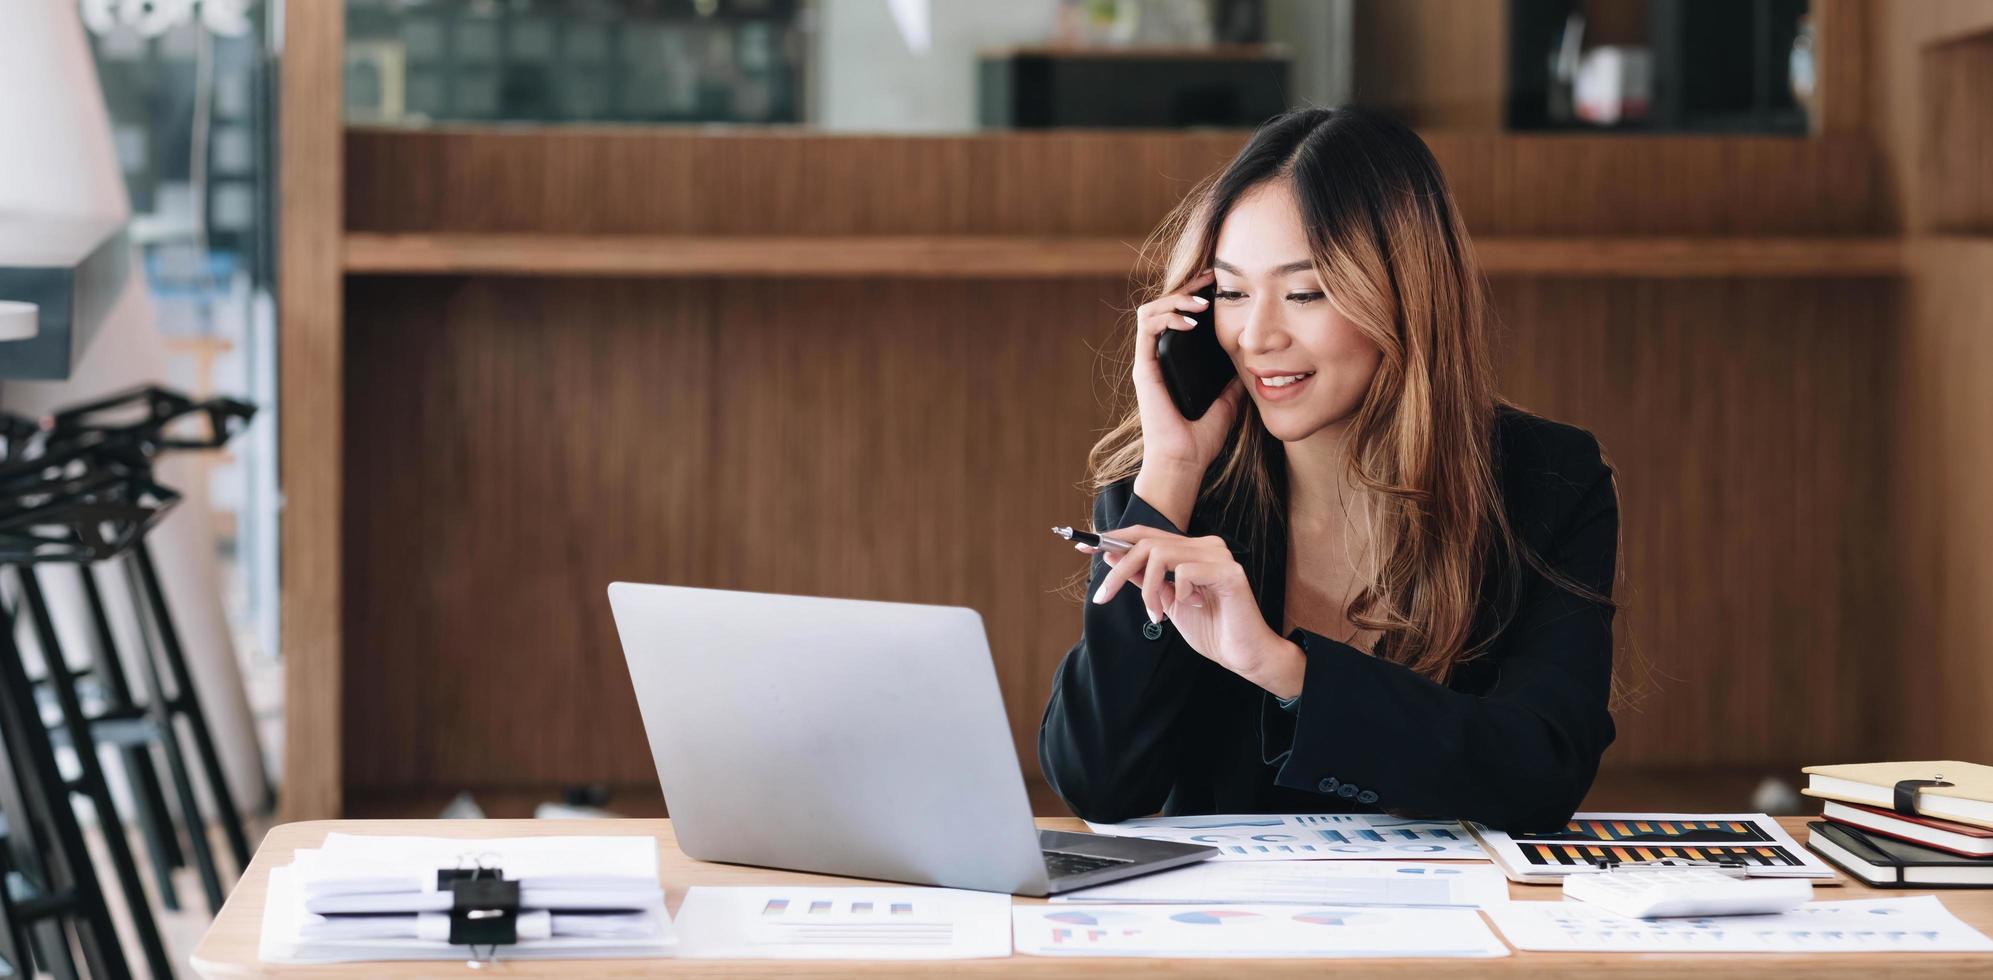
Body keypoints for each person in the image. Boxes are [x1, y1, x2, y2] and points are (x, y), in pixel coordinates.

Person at [1039, 107, 1621, 833]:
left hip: (1451, 934)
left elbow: (1540, 773)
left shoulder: (1544, 479)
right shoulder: (1175, 493)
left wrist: (1286, 672)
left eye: (1305, 292)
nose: (1256, 336)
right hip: (1225, 936)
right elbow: (1098, 784)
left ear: (1404, 298)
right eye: (1231, 291)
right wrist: (1171, 471)